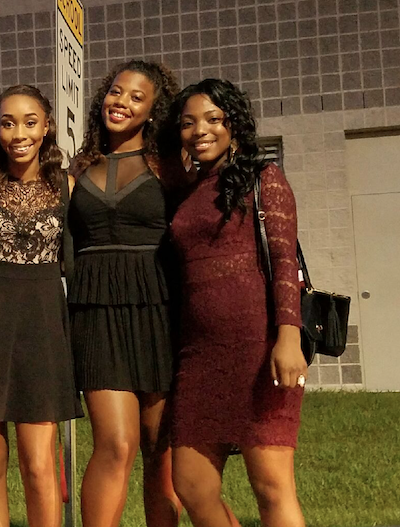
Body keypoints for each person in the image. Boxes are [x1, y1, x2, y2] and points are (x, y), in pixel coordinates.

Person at [163, 78, 307, 527]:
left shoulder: (264, 177)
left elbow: (285, 261)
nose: (199, 130)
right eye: (188, 122)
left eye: (211, 119)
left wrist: (288, 338)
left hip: (259, 348)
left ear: (233, 125)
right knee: (191, 484)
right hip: (198, 354)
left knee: (271, 486)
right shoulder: (187, 190)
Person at [0, 85, 83, 527]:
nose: (18, 133)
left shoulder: (67, 186)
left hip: (43, 328)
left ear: (46, 128)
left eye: (29, 122)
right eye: (8, 123)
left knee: (39, 465)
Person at [67, 60, 184, 527]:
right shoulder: (78, 166)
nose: (122, 102)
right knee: (116, 443)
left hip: (158, 307)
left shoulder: (169, 166)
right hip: (95, 310)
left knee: (160, 445)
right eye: (117, 92)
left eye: (137, 97)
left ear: (154, 110)